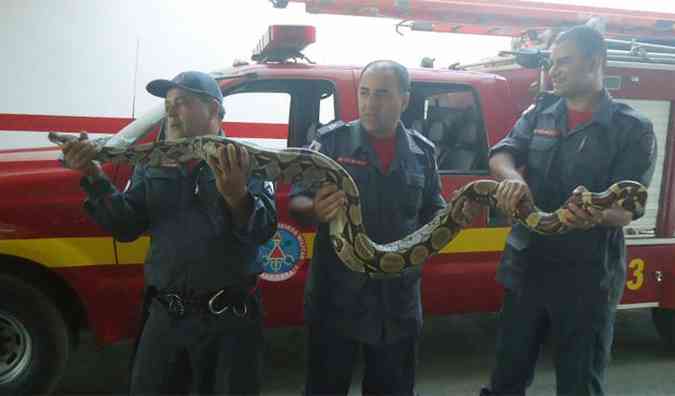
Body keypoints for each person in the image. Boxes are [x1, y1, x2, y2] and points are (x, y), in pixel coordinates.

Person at [60, 71, 277, 395]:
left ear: (215, 111)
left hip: (229, 321)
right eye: (168, 104)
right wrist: (93, 176)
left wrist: (237, 196)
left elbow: (262, 232)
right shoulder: (152, 162)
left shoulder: (246, 160)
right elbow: (127, 226)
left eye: (183, 103)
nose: (171, 112)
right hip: (166, 317)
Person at [481, 26, 657, 396]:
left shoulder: (632, 128)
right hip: (527, 269)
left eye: (564, 62)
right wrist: (513, 178)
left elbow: (629, 208)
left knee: (579, 384)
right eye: (551, 62)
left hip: (587, 281)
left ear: (595, 63)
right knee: (505, 380)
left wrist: (596, 215)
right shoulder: (541, 111)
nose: (553, 70)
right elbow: (502, 153)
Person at [289, 60, 478, 395]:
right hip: (337, 300)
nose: (369, 103)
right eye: (364, 93)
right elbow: (297, 201)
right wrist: (315, 209)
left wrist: (455, 217)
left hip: (397, 303)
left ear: (404, 100)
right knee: (324, 388)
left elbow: (432, 209)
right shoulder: (332, 144)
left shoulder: (422, 152)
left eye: (381, 94)